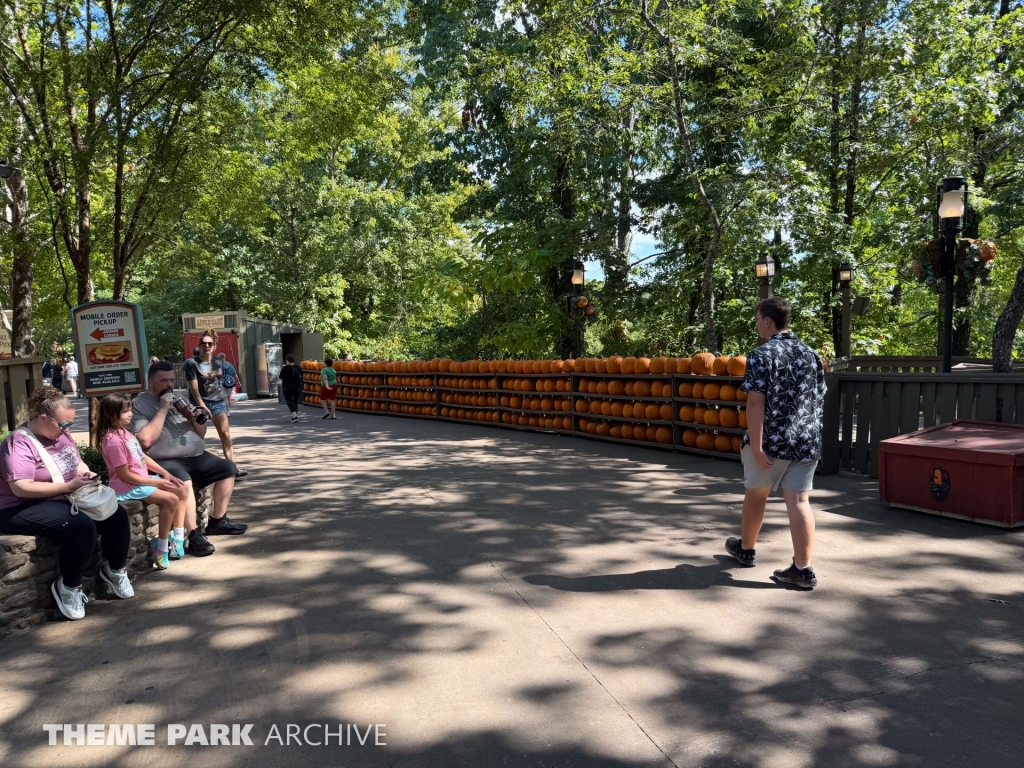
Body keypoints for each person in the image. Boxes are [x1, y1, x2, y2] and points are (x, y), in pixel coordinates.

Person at [0, 387, 134, 620]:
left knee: (116, 515)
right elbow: (21, 487)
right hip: (18, 507)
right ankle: (69, 587)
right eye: (63, 424)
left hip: (63, 497)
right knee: (80, 526)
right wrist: (69, 487)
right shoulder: (18, 443)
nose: (67, 429)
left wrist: (87, 475)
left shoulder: (59, 434)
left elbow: (77, 462)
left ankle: (115, 571)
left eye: (69, 424)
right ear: (43, 419)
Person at [725, 297, 827, 589]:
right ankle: (803, 569)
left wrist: (756, 446)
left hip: (771, 441)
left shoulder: (761, 355)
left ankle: (746, 550)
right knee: (799, 501)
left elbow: (756, 405)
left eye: (758, 319)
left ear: (768, 321)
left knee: (757, 494)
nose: (757, 324)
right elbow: (818, 397)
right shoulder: (811, 354)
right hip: (806, 440)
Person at [132, 361, 247, 555]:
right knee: (183, 481)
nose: (170, 385)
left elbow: (201, 434)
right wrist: (162, 409)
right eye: (164, 381)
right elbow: (145, 440)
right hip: (165, 460)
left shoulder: (179, 397)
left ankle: (218, 521)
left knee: (228, 468)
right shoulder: (139, 404)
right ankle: (194, 535)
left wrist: (195, 418)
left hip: (196, 454)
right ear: (151, 382)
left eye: (172, 380)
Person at [97, 394, 189, 570]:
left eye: (130, 409)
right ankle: (161, 548)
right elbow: (125, 476)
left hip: (141, 480)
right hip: (127, 487)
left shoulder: (125, 432)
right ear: (111, 414)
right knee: (171, 499)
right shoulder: (113, 441)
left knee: (182, 488)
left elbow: (142, 457)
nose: (130, 414)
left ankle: (177, 537)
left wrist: (164, 473)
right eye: (125, 411)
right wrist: (156, 483)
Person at [184, 330, 247, 478]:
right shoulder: (191, 363)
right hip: (199, 403)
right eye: (204, 343)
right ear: (200, 345)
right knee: (198, 437)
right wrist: (202, 406)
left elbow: (219, 383)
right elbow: (194, 388)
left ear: (214, 346)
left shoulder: (218, 362)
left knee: (225, 435)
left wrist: (227, 395)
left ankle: (233, 469)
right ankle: (197, 471)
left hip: (218, 403)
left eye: (210, 344)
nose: (207, 346)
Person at [279, 354, 303, 422]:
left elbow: (281, 378)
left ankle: (294, 416)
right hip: (297, 387)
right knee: (295, 400)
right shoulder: (298, 367)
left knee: (290, 401)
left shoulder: (285, 368)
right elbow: (301, 376)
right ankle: (295, 413)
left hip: (287, 387)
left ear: (287, 361)